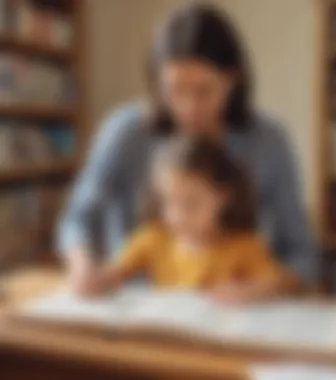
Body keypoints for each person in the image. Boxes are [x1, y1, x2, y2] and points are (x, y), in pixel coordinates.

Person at [58, 4, 317, 296]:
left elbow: (302, 255)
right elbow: (78, 219)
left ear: (233, 79)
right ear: (157, 82)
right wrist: (82, 265)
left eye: (204, 91)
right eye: (175, 91)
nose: (189, 108)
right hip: (133, 307)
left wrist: (266, 287)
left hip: (231, 310)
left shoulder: (269, 141)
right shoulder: (125, 132)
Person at [80, 137, 297, 303]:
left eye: (191, 203)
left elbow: (282, 283)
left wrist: (253, 291)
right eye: (167, 201)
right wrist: (96, 278)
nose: (176, 215)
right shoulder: (151, 239)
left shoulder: (245, 247)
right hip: (165, 345)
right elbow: (114, 273)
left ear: (222, 198)